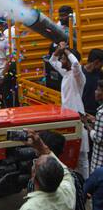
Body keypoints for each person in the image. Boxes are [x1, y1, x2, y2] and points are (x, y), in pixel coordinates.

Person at [49, 42, 88, 178]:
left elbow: (76, 63)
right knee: (68, 150)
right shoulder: (66, 73)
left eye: (64, 59)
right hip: (67, 117)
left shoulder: (78, 76)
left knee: (82, 155)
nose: (61, 61)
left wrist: (66, 50)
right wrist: (59, 51)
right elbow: (52, 60)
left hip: (78, 117)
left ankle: (85, 183)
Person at [20, 129, 75, 210]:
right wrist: (43, 149)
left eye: (35, 164)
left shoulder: (29, 207)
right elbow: (66, 173)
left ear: (33, 176)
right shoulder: (67, 192)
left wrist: (42, 149)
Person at [82, 49, 103, 115]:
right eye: (101, 64)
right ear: (96, 62)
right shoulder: (80, 74)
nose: (101, 67)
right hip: (83, 113)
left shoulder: (100, 74)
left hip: (97, 113)